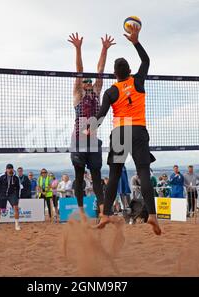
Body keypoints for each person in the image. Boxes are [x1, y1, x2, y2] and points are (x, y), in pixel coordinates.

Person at [92, 24, 161, 234]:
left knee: (114, 175)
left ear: (115, 74)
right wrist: (135, 41)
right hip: (138, 130)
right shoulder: (138, 81)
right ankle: (152, 215)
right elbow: (146, 61)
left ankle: (105, 215)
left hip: (120, 132)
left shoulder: (112, 91)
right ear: (130, 72)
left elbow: (101, 115)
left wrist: (90, 129)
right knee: (143, 173)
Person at [68, 33, 114, 218]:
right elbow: (79, 70)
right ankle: (81, 212)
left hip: (93, 140)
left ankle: (102, 212)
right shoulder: (78, 94)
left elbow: (100, 70)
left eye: (89, 81)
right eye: (85, 81)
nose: (87, 83)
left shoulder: (96, 92)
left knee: (96, 177)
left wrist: (104, 49)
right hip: (78, 140)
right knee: (79, 178)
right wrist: (78, 48)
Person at [0, 164, 21, 231]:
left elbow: (18, 188)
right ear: (6, 169)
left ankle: (17, 225)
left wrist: (18, 197)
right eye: (8, 168)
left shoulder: (16, 177)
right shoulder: (1, 176)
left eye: (11, 168)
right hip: (2, 194)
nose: (10, 170)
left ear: (13, 169)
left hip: (12, 194)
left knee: (16, 208)